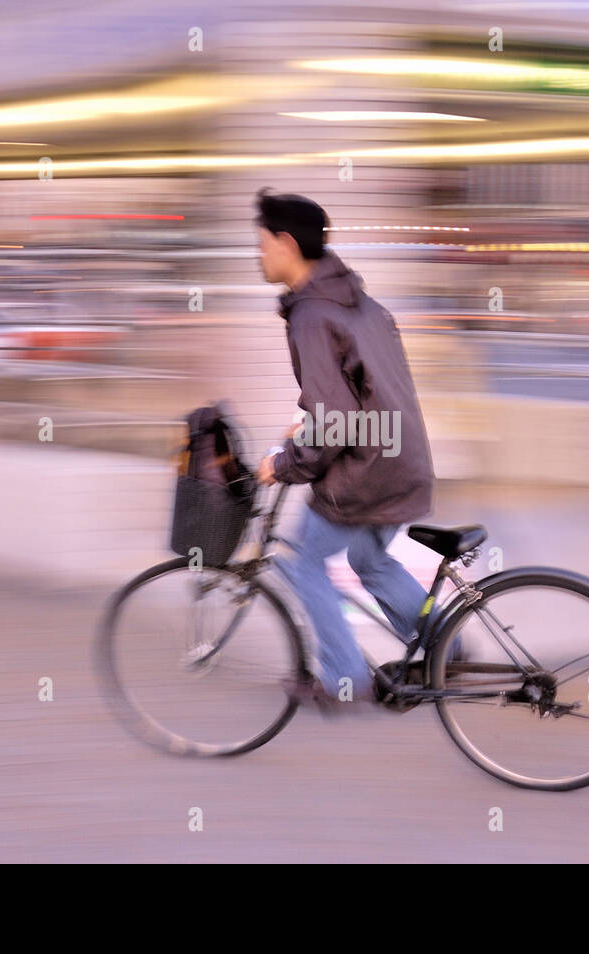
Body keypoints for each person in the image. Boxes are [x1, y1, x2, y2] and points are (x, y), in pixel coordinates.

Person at [252, 187, 435, 713]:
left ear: (286, 242)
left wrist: (284, 465)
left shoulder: (312, 315)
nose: (257, 253)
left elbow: (337, 421)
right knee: (368, 560)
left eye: (261, 242)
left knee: (307, 563)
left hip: (367, 472)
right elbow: (356, 392)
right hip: (404, 460)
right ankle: (450, 645)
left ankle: (341, 676)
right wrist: (308, 422)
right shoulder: (353, 299)